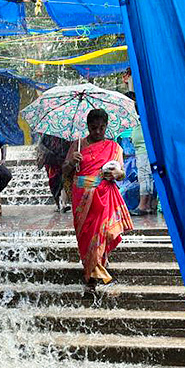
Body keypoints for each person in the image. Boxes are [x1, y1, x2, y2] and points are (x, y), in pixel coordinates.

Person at [64, 108, 133, 286]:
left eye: (101, 128)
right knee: (86, 234)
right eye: (94, 128)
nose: (97, 132)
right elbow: (64, 171)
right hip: (82, 197)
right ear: (88, 126)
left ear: (106, 127)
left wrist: (117, 173)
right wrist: (72, 162)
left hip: (104, 194)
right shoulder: (77, 145)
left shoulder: (114, 147)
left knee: (102, 231)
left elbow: (122, 174)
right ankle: (92, 268)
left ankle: (96, 269)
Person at [126, 91, 158, 216]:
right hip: (144, 151)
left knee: (144, 177)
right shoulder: (142, 120)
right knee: (148, 178)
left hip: (144, 152)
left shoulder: (145, 120)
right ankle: (148, 205)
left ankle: (143, 205)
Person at [36, 134, 71, 212]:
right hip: (51, 164)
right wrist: (49, 153)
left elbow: (67, 148)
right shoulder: (46, 136)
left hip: (61, 162)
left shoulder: (65, 136)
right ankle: (58, 204)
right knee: (53, 183)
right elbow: (41, 147)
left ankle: (64, 204)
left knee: (62, 183)